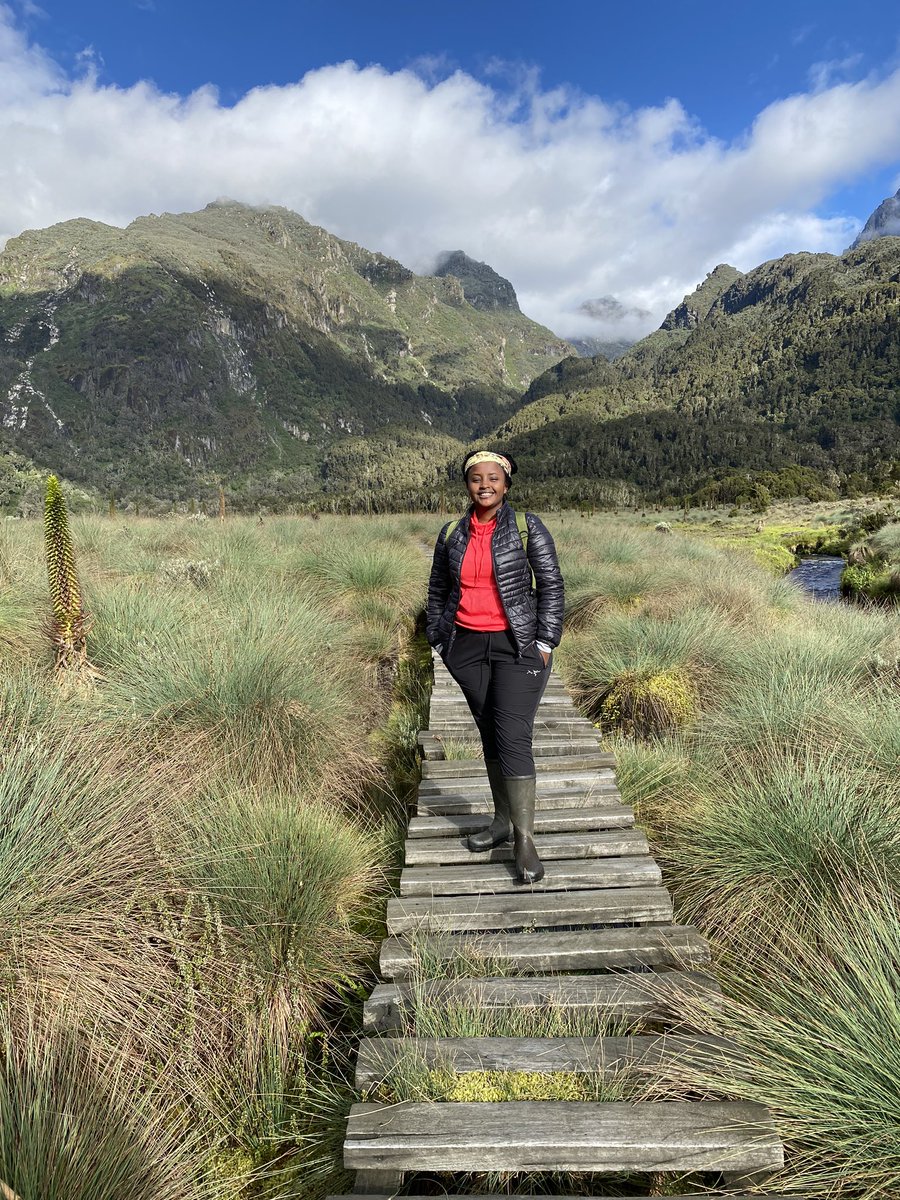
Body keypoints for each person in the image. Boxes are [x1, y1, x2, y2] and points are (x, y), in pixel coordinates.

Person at [425, 450, 564, 884]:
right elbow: (437, 589)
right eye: (475, 478)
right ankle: (502, 822)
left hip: (517, 646)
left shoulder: (527, 528)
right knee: (489, 732)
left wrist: (544, 641)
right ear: (467, 485)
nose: (484, 484)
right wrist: (439, 638)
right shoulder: (451, 533)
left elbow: (552, 584)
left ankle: (524, 839)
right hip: (465, 647)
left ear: (506, 484)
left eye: (493, 478)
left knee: (512, 732)